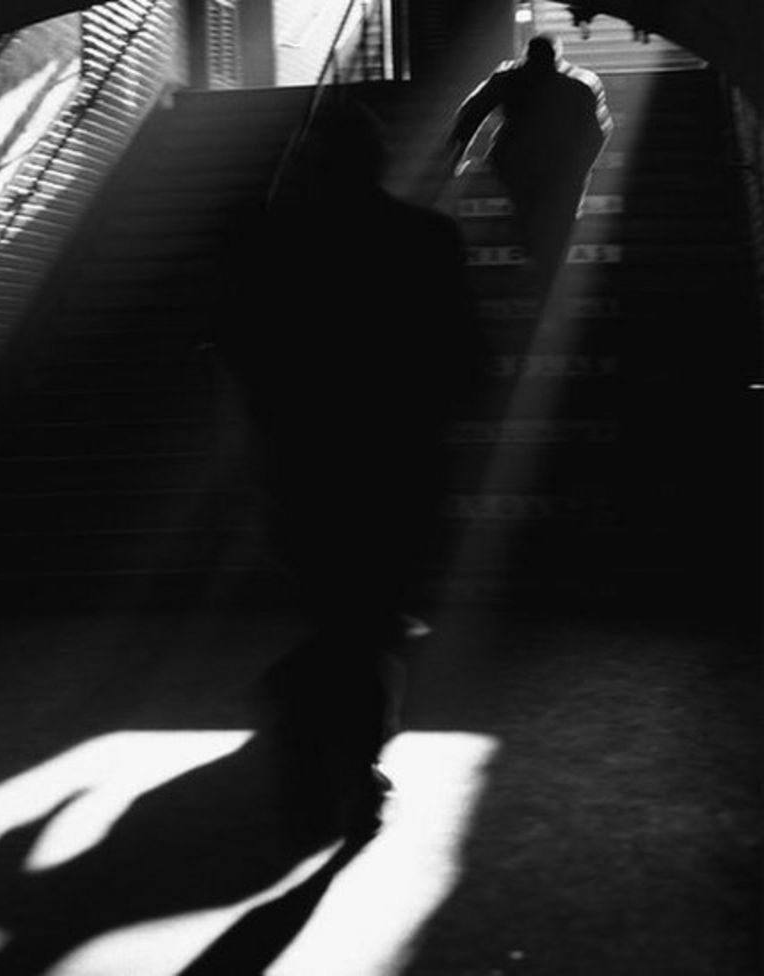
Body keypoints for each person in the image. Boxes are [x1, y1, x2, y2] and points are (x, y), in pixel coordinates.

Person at [216, 102, 489, 837]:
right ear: (377, 160)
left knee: (335, 608)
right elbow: (467, 357)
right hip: (399, 463)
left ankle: (314, 735)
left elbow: (240, 346)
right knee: (369, 618)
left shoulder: (267, 240)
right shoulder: (426, 239)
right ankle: (346, 756)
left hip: (305, 463)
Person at [445, 32, 613, 294]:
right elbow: (597, 133)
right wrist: (580, 168)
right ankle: (547, 271)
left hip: (518, 162)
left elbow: (471, 113)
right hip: (556, 167)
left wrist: (456, 155)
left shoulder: (510, 80)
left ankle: (539, 263)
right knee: (553, 217)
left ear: (527, 55)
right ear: (556, 59)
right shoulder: (575, 88)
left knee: (530, 212)